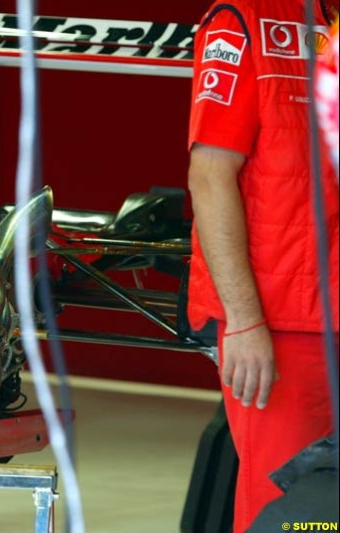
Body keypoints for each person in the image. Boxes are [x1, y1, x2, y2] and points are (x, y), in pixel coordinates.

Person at [187, 1, 339, 530]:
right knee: (291, 513)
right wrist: (245, 322)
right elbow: (208, 176)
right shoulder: (241, 18)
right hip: (281, 326)